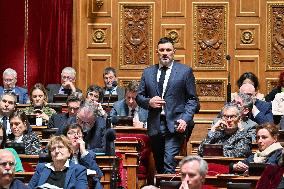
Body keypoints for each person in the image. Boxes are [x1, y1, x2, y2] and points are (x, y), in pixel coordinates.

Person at [136, 37, 199, 173]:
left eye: (168, 50)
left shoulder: (185, 71)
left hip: (176, 125)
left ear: (173, 52)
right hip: (155, 125)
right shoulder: (148, 72)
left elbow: (193, 100)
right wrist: (149, 102)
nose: (165, 53)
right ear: (157, 52)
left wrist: (185, 119)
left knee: (169, 162)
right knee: (159, 164)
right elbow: (139, 97)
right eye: (162, 50)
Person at [63, 123, 103, 189]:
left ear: (82, 137)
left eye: (78, 133)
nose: (76, 136)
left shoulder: (89, 154)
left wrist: (83, 152)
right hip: (67, 184)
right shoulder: (61, 153)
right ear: (65, 137)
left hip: (86, 184)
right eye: (71, 133)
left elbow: (98, 175)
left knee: (96, 182)